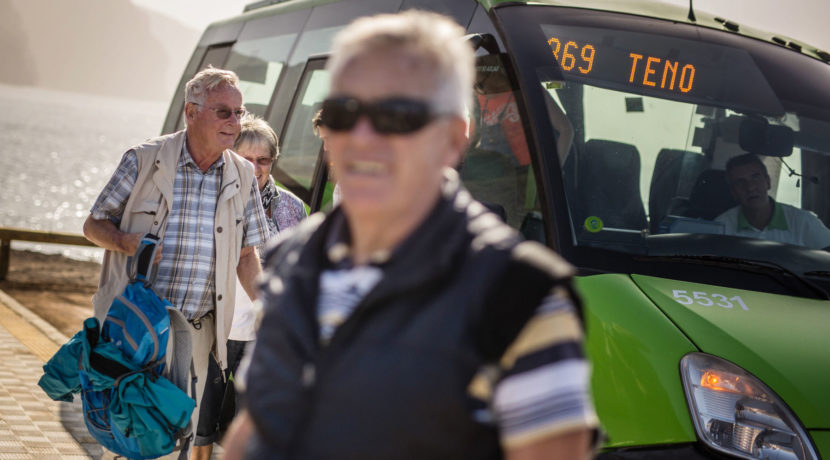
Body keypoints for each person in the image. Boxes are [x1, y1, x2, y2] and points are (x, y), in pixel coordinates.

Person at [224, 11, 597, 460]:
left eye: (395, 116)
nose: (362, 137)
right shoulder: (291, 259)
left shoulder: (521, 294)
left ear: (453, 139)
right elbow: (256, 427)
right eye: (345, 112)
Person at [82, 67, 271, 458]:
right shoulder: (144, 159)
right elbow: (93, 223)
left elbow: (247, 257)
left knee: (177, 434)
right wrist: (123, 240)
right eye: (224, 112)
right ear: (191, 111)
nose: (235, 123)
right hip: (138, 322)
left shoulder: (243, 175)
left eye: (239, 113)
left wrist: (273, 310)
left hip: (198, 331)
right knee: (130, 430)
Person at [191, 115, 307, 460]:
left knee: (251, 425)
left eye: (263, 160)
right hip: (215, 327)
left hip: (260, 332)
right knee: (203, 425)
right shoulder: (210, 199)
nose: (254, 168)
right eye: (246, 159)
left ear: (273, 162)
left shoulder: (291, 208)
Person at [715, 153, 830, 249]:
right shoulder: (721, 227)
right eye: (740, 182)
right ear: (733, 192)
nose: (750, 187)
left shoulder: (803, 222)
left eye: (755, 177)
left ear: (768, 182)